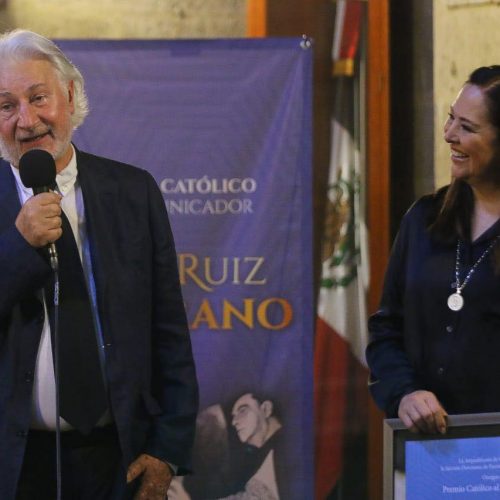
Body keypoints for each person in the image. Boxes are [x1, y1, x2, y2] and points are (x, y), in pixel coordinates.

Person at [0, 29, 199, 499]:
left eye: (38, 97)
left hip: (117, 457)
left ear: (70, 96)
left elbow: (168, 328)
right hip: (11, 464)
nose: (26, 120)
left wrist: (166, 449)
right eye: (6, 106)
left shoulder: (132, 191)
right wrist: (19, 245)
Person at [366, 65, 500, 435]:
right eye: (450, 118)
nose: (448, 134)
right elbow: (386, 330)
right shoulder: (423, 218)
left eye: (467, 127)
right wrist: (405, 394)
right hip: (426, 450)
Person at [170, 392, 284, 500]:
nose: (235, 421)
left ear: (266, 409)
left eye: (243, 411)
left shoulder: (282, 453)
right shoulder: (259, 454)